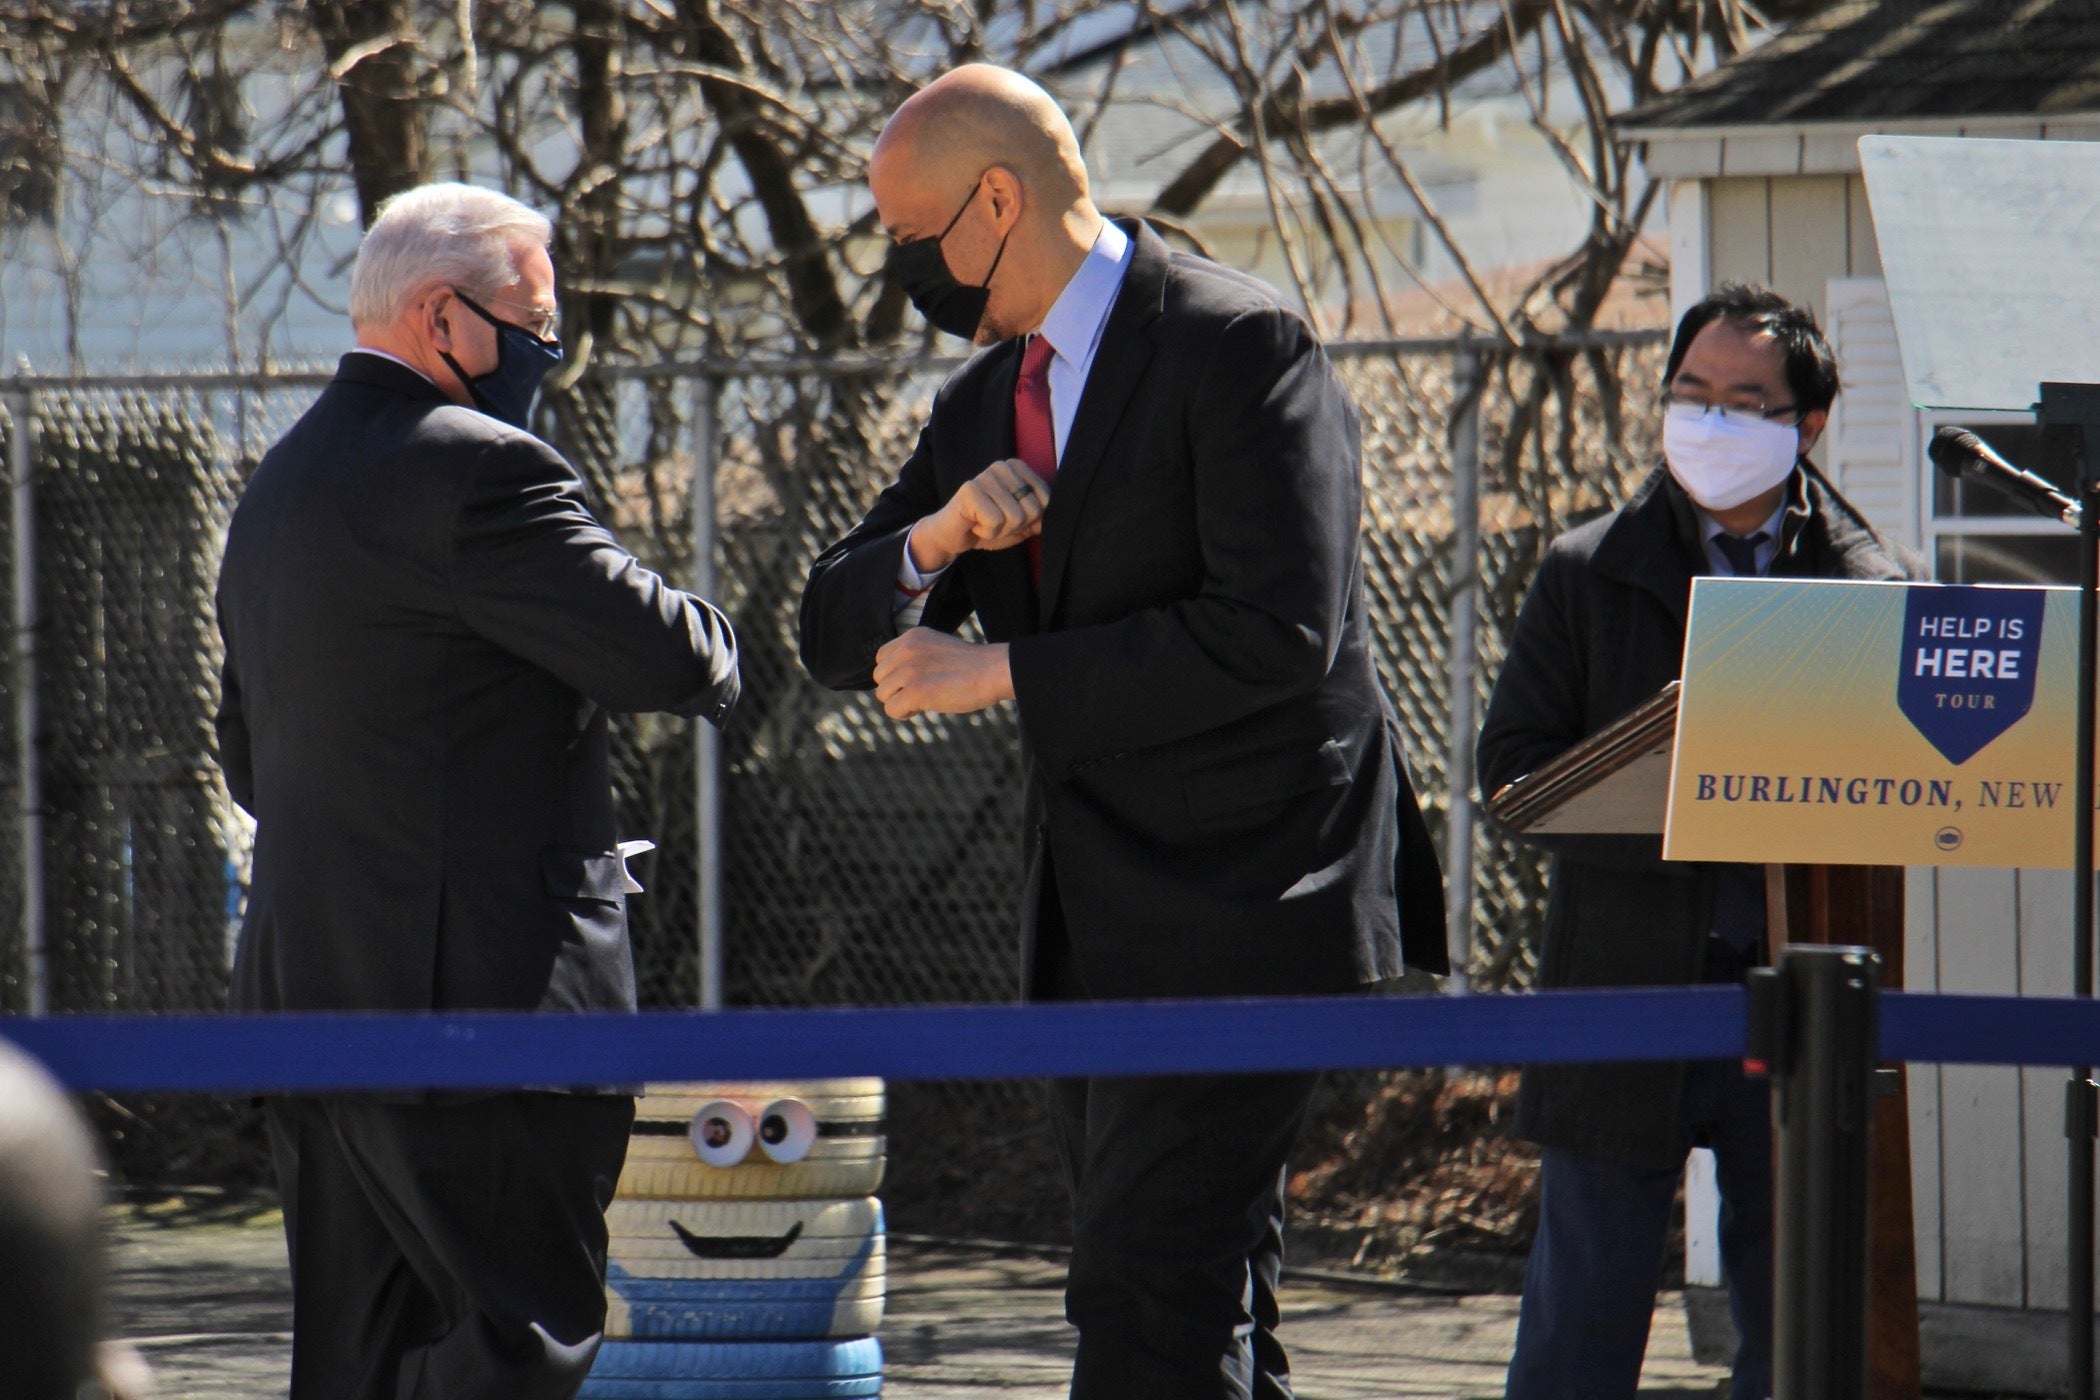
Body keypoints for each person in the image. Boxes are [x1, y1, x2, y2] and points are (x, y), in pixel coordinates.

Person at [798, 64, 1446, 1400]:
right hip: (1097, 920)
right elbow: (827, 630)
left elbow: (1281, 632)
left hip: (1253, 902)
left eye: (908, 234)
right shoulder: (980, 404)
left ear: (996, 200)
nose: (897, 265)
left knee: (1146, 1284)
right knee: (1195, 1283)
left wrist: (1004, 674)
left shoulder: (1236, 341)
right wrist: (940, 534)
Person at [215, 182, 739, 1400]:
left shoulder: (275, 489)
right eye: (535, 322)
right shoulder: (483, 470)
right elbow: (672, 652)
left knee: (354, 1359)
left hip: (309, 1008)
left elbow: (252, 757)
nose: (548, 351)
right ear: (444, 319)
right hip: (482, 1019)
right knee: (522, 1339)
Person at [1478, 282, 1925, 1400]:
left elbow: (1906, 782)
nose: (1710, 420)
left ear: (1807, 425)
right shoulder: (1586, 570)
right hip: (1623, 983)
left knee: (1800, 1327)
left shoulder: (1868, 586)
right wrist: (1672, 773)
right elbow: (1512, 769)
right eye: (1691, 393)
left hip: (1803, 987)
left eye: (1744, 400)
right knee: (1582, 1317)